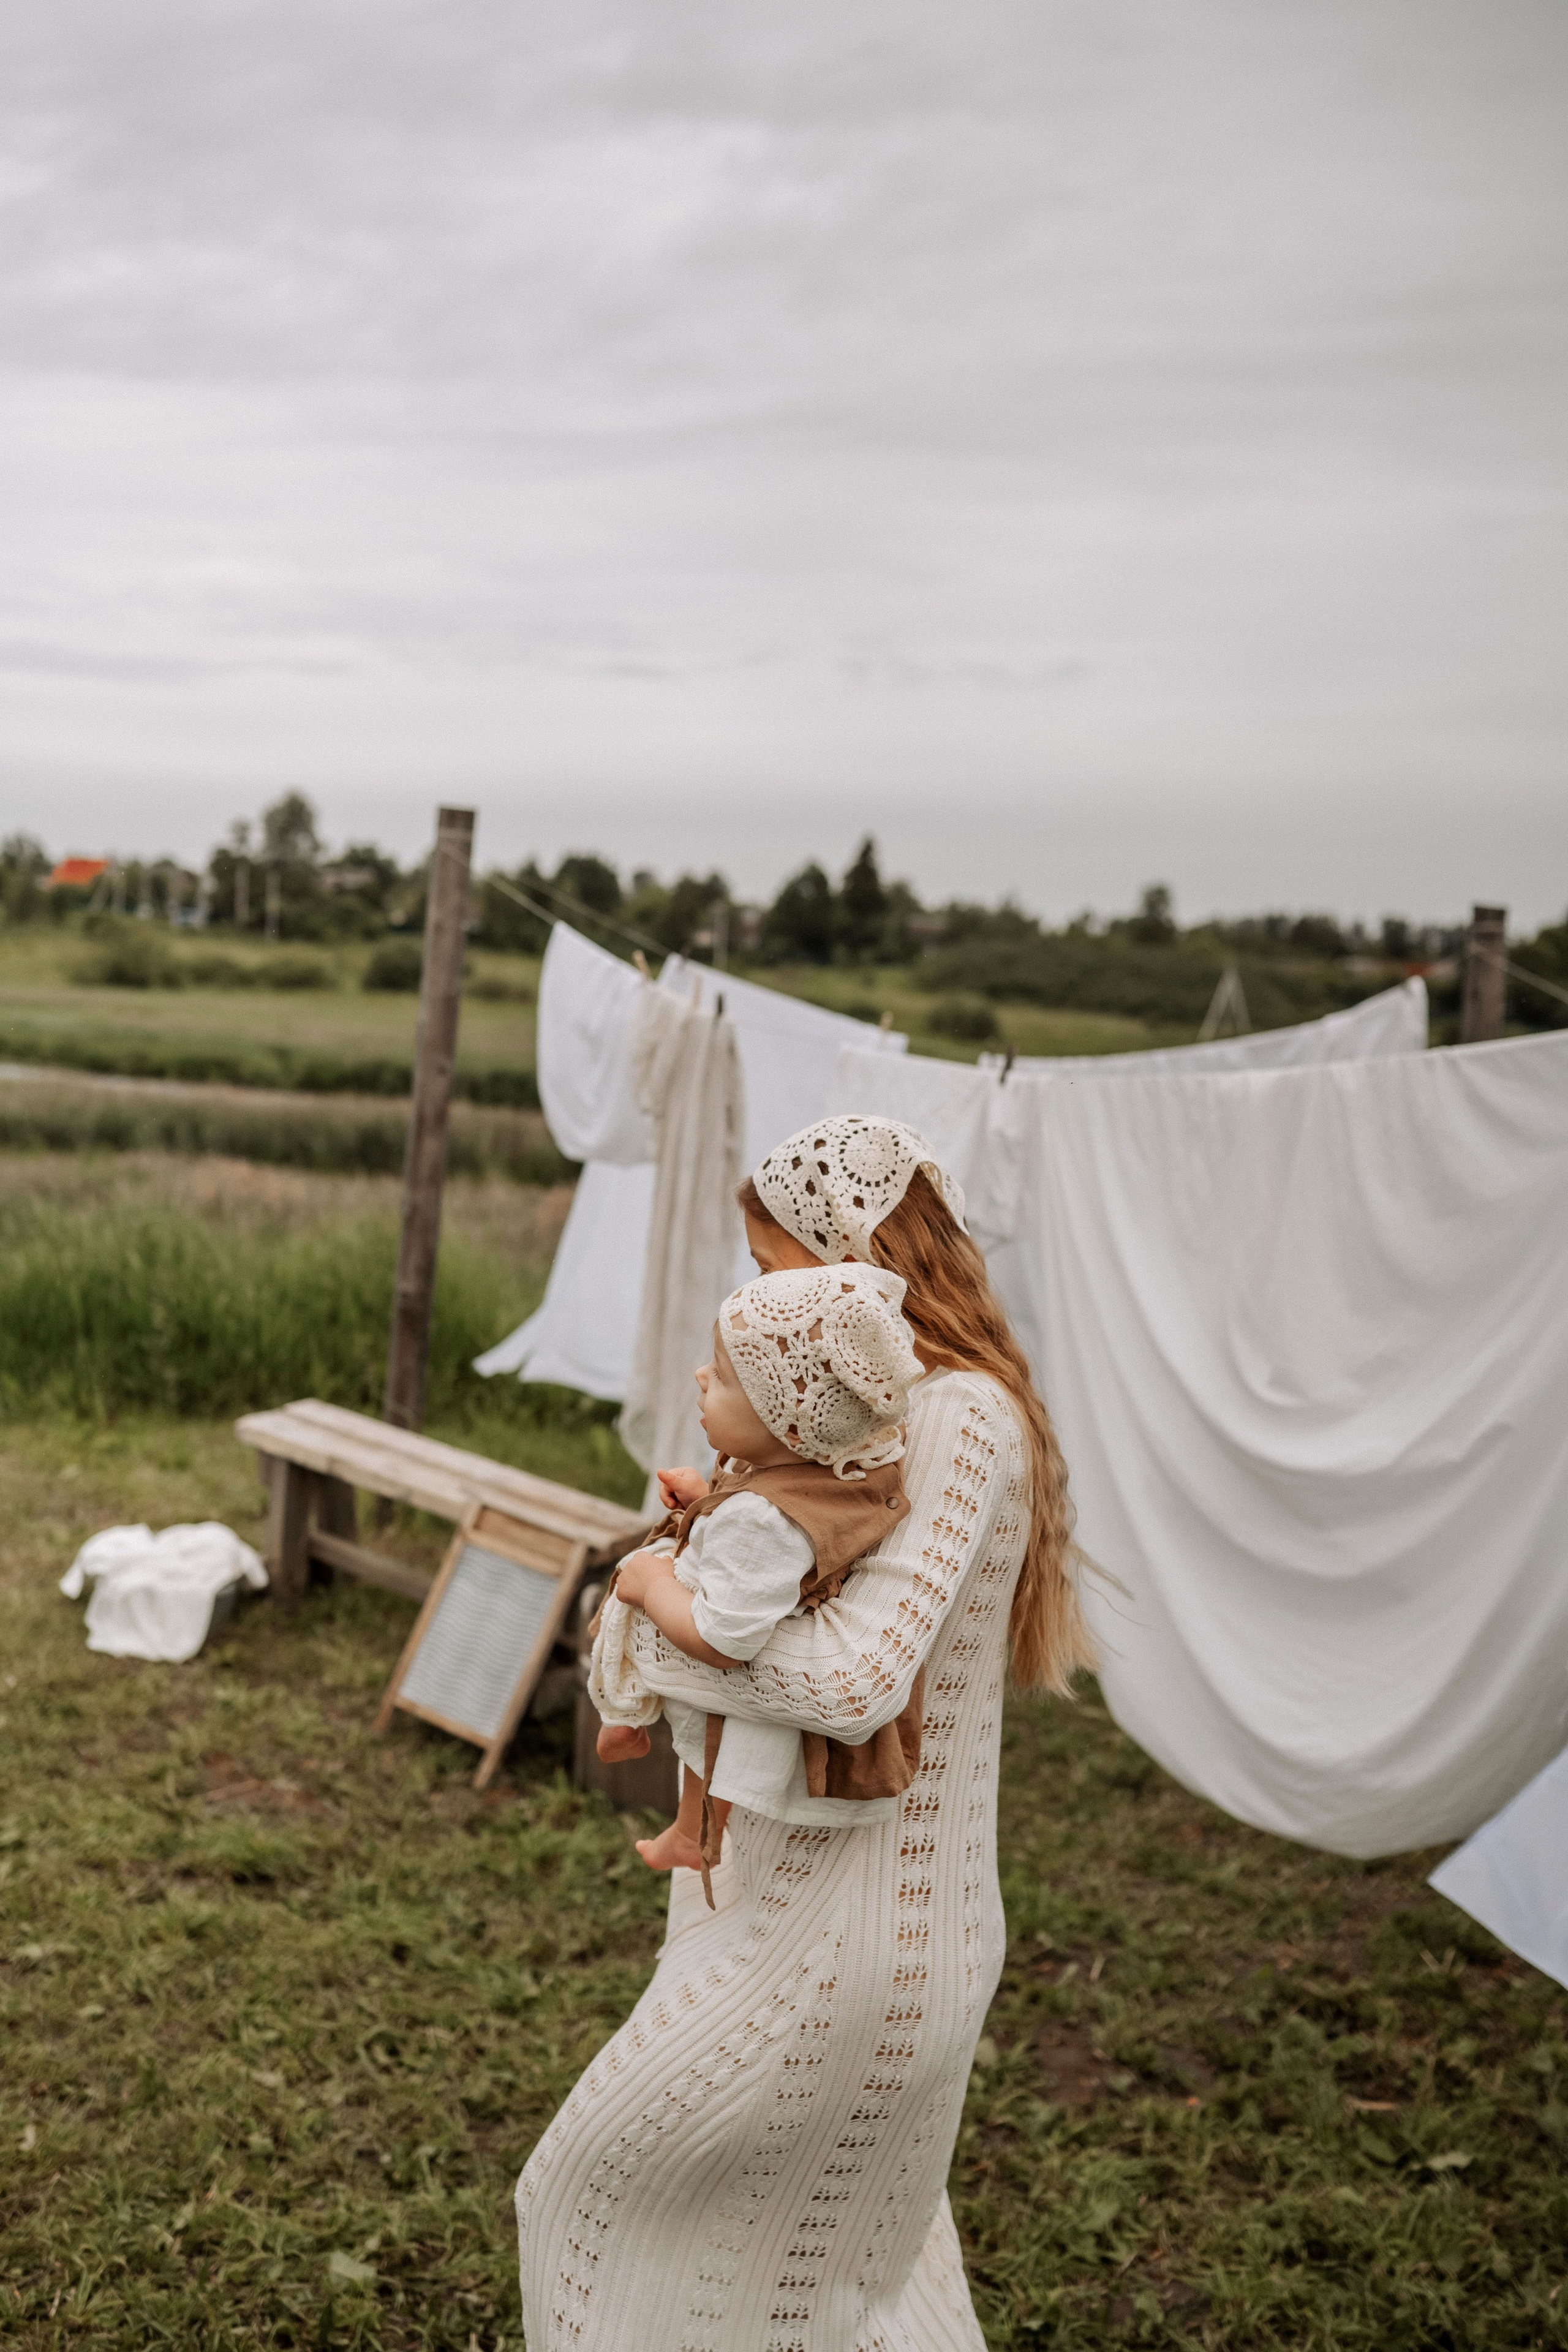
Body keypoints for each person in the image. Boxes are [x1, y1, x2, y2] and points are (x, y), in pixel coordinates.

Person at [517, 1115, 1092, 2352]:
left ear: (860, 1258)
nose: (769, 1305)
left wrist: (650, 1613)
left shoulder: (953, 1419)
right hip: (788, 1900)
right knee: (838, 2291)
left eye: (778, 1272)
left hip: (857, 1929)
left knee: (581, 2207)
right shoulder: (865, 1416)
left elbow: (848, 1683)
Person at [588, 1261, 923, 1890]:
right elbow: (762, 1517)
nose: (699, 1376)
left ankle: (628, 1715)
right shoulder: (826, 1467)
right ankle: (690, 1831)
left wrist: (652, 1587)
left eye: (720, 1378)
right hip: (764, 1590)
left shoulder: (762, 1523)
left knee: (645, 1580)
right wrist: (707, 1501)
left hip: (740, 1681)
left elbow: (719, 1638)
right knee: (704, 1746)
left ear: (786, 1421)